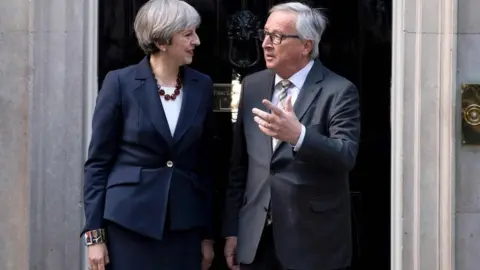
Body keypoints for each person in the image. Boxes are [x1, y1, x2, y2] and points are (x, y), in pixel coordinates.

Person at [222, 2, 361, 270]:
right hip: (257, 241)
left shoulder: (339, 90)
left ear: (306, 45)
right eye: (265, 34)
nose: (265, 44)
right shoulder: (253, 85)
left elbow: (346, 155)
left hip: (313, 242)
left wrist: (300, 136)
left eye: (277, 36)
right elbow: (240, 167)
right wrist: (233, 229)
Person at [82, 1, 215, 269]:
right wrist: (94, 235)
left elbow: (206, 165)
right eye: (188, 34)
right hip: (129, 224)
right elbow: (98, 163)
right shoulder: (119, 83)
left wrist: (208, 235)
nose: (197, 41)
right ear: (162, 39)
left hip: (185, 225)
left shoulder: (202, 85)